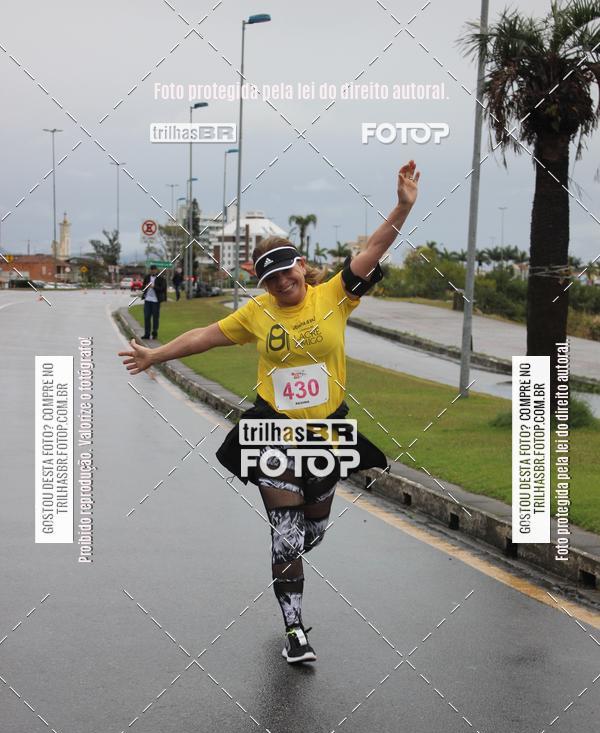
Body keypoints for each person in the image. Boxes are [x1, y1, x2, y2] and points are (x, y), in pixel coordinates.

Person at [119, 160, 420, 663]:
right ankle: (295, 629)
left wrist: (404, 205)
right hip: (273, 433)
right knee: (284, 532)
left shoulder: (335, 296)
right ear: (263, 283)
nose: (282, 282)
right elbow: (203, 337)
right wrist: (155, 353)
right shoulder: (256, 314)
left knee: (312, 529)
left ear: (302, 264)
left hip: (326, 434)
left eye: (287, 270)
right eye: (271, 277)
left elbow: (374, 249)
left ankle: (296, 552)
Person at [140, 265, 167, 339]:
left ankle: (155, 333)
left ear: (156, 270)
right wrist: (146, 286)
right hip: (147, 300)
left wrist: (153, 286)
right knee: (146, 317)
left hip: (156, 301)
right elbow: (142, 287)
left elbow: (163, 288)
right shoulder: (147, 277)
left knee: (155, 317)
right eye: (151, 270)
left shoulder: (161, 278)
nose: (153, 271)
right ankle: (147, 334)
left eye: (154, 270)